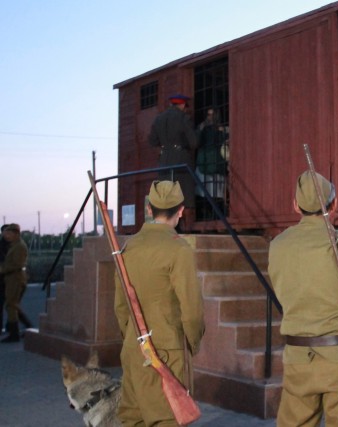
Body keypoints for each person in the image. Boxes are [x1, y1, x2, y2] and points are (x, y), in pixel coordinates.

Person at [268, 171, 338, 427]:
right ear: (333, 205)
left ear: (295, 205)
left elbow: (282, 293)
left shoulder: (278, 245)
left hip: (298, 358)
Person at [114, 180, 205, 425]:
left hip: (133, 348)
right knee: (166, 419)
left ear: (149, 209)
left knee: (133, 419)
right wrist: (192, 343)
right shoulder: (179, 249)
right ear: (181, 211)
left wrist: (131, 339)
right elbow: (192, 311)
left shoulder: (126, 248)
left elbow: (121, 307)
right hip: (168, 350)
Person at [148, 93, 199, 227]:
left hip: (164, 161)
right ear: (182, 104)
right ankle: (187, 228)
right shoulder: (183, 118)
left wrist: (165, 149)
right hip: (181, 160)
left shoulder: (158, 119)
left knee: (166, 195)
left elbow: (152, 141)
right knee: (185, 196)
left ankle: (166, 226)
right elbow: (194, 142)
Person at [195, 108, 229, 219]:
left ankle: (217, 217)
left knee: (217, 194)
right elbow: (196, 141)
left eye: (213, 114)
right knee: (205, 194)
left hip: (216, 164)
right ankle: (208, 216)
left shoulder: (221, 128)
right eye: (209, 115)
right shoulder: (202, 128)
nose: (211, 117)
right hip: (204, 163)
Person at [0, 224, 29, 343]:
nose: (6, 236)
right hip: (11, 278)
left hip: (15, 278)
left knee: (11, 305)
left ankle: (14, 333)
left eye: (8, 234)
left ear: (16, 233)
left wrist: (1, 269)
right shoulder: (15, 245)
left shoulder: (20, 247)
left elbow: (17, 264)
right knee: (11, 305)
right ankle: (15, 331)